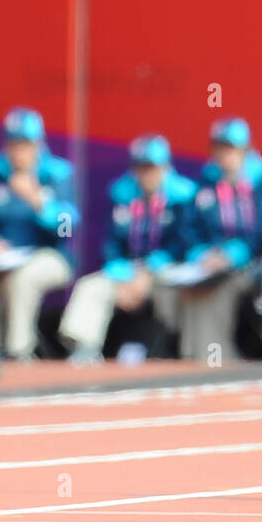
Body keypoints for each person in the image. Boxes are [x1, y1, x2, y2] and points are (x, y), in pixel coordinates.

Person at [58, 134, 196, 364]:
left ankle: (176, 352)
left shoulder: (183, 195)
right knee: (90, 286)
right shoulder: (121, 193)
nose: (146, 174)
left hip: (165, 269)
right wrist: (121, 273)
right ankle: (85, 349)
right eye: (141, 167)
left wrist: (149, 272)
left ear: (165, 167)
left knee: (178, 288)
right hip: (127, 272)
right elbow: (111, 244)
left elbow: (184, 243)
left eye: (151, 167)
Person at [0, 107, 79, 360]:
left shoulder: (57, 173)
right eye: (13, 144)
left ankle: (19, 351)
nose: (19, 151)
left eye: (25, 144)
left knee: (23, 277)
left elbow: (67, 230)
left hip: (49, 256)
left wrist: (39, 203)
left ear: (39, 144)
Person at [175, 117, 262, 361]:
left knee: (231, 284)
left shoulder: (261, 179)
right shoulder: (207, 181)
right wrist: (202, 254)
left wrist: (234, 254)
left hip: (255, 260)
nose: (225, 154)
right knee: (198, 290)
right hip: (215, 264)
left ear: (245, 149)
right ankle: (206, 359)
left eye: (231, 148)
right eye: (220, 147)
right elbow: (190, 228)